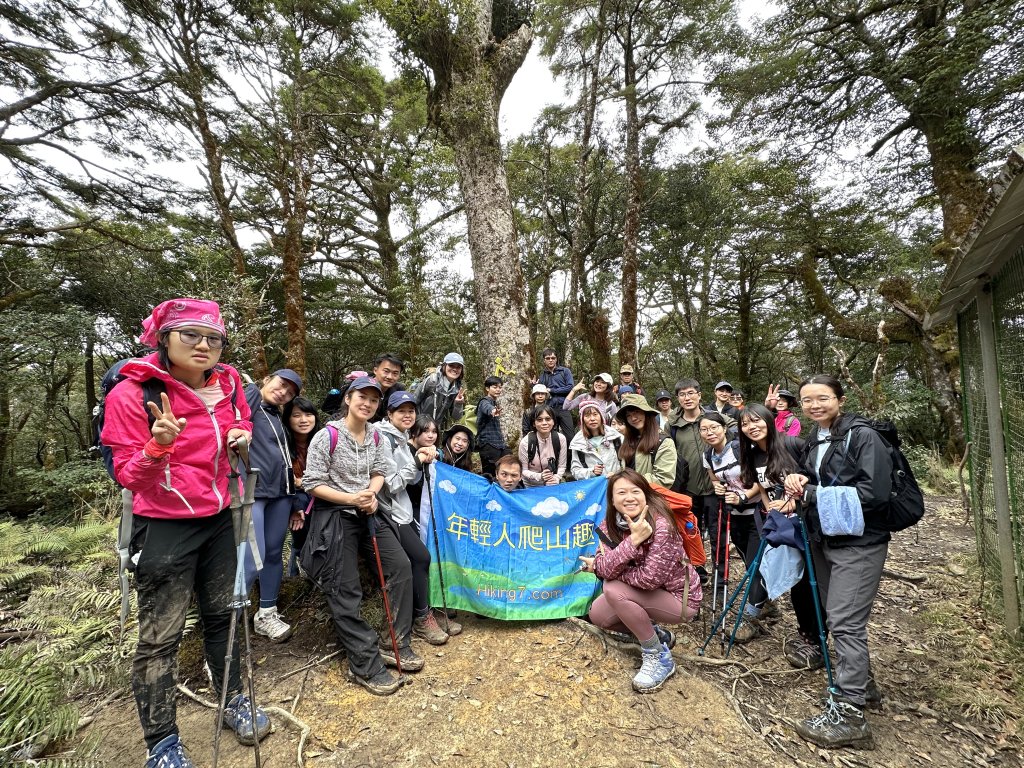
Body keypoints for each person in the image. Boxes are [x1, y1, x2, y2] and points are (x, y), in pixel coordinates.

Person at [101, 298, 269, 767]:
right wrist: (158, 445)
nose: (203, 345)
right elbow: (129, 478)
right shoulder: (133, 394)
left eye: (213, 337)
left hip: (219, 517)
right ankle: (162, 741)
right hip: (163, 526)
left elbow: (240, 417)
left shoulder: (230, 380)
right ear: (164, 338)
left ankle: (233, 698)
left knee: (225, 614)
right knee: (161, 637)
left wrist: (241, 432)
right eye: (190, 334)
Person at [783, 375, 892, 749]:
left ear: (840, 399)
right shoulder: (817, 437)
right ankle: (864, 687)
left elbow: (874, 494)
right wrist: (801, 480)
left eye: (822, 398)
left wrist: (812, 492)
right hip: (825, 537)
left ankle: (849, 716)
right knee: (833, 615)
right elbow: (820, 479)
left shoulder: (863, 436)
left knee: (845, 622)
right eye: (807, 400)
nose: (814, 405)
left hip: (860, 542)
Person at [302, 376, 421, 696]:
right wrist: (351, 498)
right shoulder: (326, 436)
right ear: (349, 399)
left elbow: (380, 471)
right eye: (361, 397)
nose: (367, 403)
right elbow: (312, 482)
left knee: (401, 566)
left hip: (368, 511)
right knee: (345, 589)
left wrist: (369, 492)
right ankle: (365, 664)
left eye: (373, 399)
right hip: (335, 514)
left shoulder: (377, 438)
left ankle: (394, 640)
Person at [579, 469, 701, 693]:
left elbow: (648, 579)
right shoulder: (610, 525)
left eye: (635, 491)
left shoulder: (662, 526)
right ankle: (657, 634)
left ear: (646, 494)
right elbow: (602, 561)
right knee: (598, 615)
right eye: (621, 492)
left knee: (612, 588)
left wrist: (610, 566)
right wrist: (629, 545)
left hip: (679, 600)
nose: (629, 497)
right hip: (643, 595)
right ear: (612, 500)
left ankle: (658, 657)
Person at [737, 403, 823, 669]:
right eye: (745, 424)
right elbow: (761, 487)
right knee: (796, 581)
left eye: (756, 421)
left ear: (768, 420)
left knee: (812, 581)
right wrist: (767, 508)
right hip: (779, 524)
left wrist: (791, 504)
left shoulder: (793, 445)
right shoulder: (751, 455)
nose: (752, 427)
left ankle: (819, 640)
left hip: (806, 523)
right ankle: (806, 635)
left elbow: (816, 482)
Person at [376, 391, 455, 646]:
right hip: (388, 513)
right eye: (401, 411)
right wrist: (418, 460)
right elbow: (393, 483)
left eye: (411, 410)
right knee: (420, 558)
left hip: (402, 512)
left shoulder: (400, 439)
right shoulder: (383, 439)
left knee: (419, 558)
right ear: (389, 414)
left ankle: (423, 614)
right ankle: (421, 618)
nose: (407, 415)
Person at [242, 368, 303, 642]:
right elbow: (236, 419)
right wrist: (253, 391)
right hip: (253, 491)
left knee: (273, 553)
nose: (283, 393)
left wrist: (294, 499)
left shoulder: (277, 416)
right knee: (252, 556)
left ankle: (266, 613)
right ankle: (227, 620)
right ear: (267, 380)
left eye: (289, 393)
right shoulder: (250, 398)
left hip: (281, 494)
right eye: (281, 385)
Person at [700, 411, 765, 642]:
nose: (710, 433)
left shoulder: (740, 448)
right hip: (734, 516)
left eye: (714, 428)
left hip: (757, 513)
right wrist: (718, 488)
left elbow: (761, 479)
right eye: (704, 429)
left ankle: (750, 617)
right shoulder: (708, 456)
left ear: (723, 428)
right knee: (750, 563)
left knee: (756, 564)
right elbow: (716, 480)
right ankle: (766, 605)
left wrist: (745, 497)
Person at [666, 379, 737, 539]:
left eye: (691, 393)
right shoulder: (673, 425)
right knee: (691, 532)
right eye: (682, 394)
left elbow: (736, 427)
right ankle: (696, 564)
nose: (687, 398)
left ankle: (719, 564)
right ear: (678, 398)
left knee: (718, 532)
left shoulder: (713, 417)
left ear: (699, 395)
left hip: (715, 486)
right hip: (688, 487)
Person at [283, 396, 321, 577]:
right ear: (288, 419)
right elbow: (288, 479)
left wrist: (302, 482)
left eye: (308, 414)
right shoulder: (282, 443)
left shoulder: (323, 440)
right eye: (296, 415)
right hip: (296, 499)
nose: (304, 420)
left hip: (322, 496)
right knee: (301, 510)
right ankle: (298, 568)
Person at [617, 394, 677, 488]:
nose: (633, 418)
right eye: (628, 415)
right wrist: (616, 477)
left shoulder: (663, 442)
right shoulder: (629, 440)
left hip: (651, 499)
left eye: (637, 412)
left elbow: (664, 479)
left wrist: (628, 481)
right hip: (630, 497)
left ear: (646, 413)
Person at [569, 399, 623, 479]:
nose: (592, 419)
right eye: (587, 416)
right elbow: (575, 471)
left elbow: (628, 464)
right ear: (582, 420)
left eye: (595, 414)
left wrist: (617, 474)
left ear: (601, 416)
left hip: (616, 484)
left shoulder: (616, 437)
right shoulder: (578, 444)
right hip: (596, 488)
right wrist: (591, 472)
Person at [519, 405, 568, 487]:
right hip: (531, 486)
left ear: (553, 422)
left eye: (548, 419)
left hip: (552, 483)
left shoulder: (560, 439)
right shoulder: (526, 442)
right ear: (534, 423)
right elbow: (523, 470)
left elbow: (562, 466)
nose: (544, 423)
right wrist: (540, 476)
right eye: (539, 420)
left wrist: (556, 478)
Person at [415, 353, 465, 432]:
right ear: (444, 366)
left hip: (435, 430)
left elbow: (456, 417)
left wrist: (458, 404)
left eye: (458, 367)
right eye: (451, 365)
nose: (455, 369)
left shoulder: (457, 389)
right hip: (419, 426)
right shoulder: (431, 381)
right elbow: (413, 402)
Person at [407, 415, 440, 533]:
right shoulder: (405, 449)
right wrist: (419, 458)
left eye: (434, 431)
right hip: (407, 505)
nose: (431, 435)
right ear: (415, 431)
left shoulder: (430, 449)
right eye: (425, 431)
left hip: (423, 503)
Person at [475, 376, 509, 478]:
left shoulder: (493, 402)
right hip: (488, 444)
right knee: (490, 474)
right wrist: (493, 411)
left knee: (503, 468)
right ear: (487, 388)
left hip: (498, 444)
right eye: (495, 387)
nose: (498, 389)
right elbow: (487, 408)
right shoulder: (485, 401)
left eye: (500, 387)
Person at [537, 348, 575, 439]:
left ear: (556, 359)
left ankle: (570, 453)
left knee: (570, 436)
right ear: (544, 360)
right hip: (550, 408)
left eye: (553, 358)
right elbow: (541, 392)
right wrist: (534, 385)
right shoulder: (543, 375)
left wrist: (552, 390)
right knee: (552, 436)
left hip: (564, 407)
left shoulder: (565, 371)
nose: (551, 360)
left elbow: (570, 387)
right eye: (548, 358)